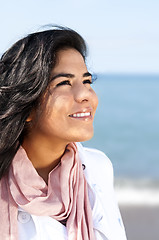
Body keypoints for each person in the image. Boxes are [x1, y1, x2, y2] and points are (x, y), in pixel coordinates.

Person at [0, 26, 127, 240]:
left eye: (87, 81)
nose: (85, 95)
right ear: (27, 105)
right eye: (64, 83)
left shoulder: (98, 167)